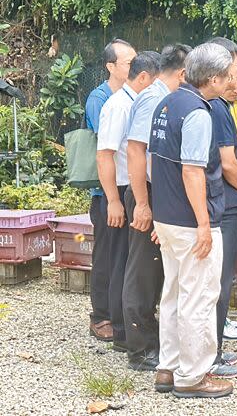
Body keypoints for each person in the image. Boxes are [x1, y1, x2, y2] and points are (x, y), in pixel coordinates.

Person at [149, 43, 233, 398]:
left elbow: (155, 163)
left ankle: (167, 368)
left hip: (166, 217)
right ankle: (194, 375)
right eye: (227, 75)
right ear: (213, 79)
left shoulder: (166, 103)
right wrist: (203, 224)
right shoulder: (200, 112)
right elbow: (193, 171)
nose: (230, 81)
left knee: (172, 294)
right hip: (190, 220)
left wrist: (158, 214)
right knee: (198, 296)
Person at [123, 44, 190, 371]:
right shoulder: (153, 99)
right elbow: (136, 152)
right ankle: (141, 350)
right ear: (183, 72)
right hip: (144, 193)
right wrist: (143, 203)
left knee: (155, 271)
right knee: (143, 274)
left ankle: (153, 344)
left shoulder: (162, 97)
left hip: (154, 193)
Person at [96, 51, 161, 352]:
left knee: (129, 261)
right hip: (123, 190)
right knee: (123, 263)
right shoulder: (119, 106)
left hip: (132, 188)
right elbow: (105, 154)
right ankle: (122, 331)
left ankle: (128, 327)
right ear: (145, 78)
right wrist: (113, 200)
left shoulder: (136, 103)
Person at [207, 57, 237, 379]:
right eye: (232, 82)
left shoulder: (213, 106)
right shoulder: (218, 109)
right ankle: (211, 355)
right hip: (226, 206)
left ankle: (213, 349)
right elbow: (227, 161)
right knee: (218, 284)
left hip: (221, 204)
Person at [86, 38, 136, 342]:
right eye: (128, 62)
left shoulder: (133, 96)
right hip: (105, 192)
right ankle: (100, 316)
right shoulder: (100, 98)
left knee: (123, 255)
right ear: (111, 67)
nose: (133, 65)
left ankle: (120, 313)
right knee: (105, 255)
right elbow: (106, 147)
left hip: (125, 188)